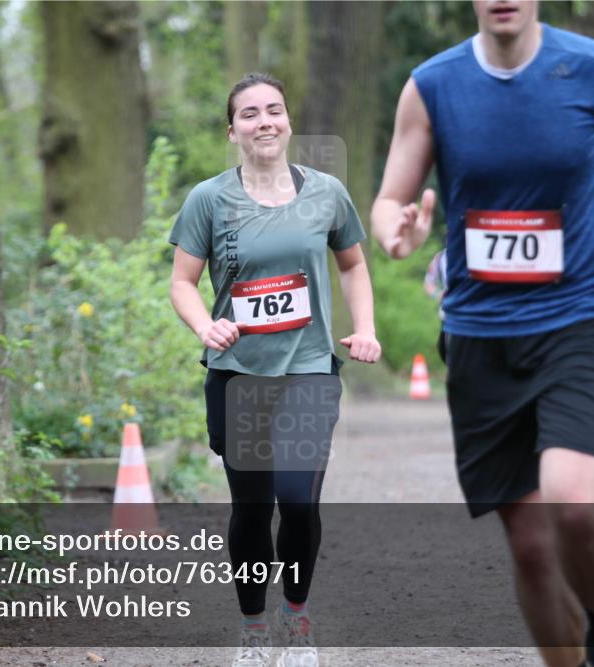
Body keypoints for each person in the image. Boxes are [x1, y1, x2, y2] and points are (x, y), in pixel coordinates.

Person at [371, 2, 594, 666]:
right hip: (480, 332)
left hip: (580, 318)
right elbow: (388, 200)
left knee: (574, 503)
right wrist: (394, 231)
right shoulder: (433, 85)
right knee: (532, 545)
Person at [169, 73, 381, 667]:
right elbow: (183, 283)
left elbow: (354, 266)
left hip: (310, 368)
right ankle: (254, 629)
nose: (265, 122)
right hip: (237, 372)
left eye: (275, 111)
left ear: (288, 121)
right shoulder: (208, 199)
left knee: (301, 501)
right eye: (250, 114)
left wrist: (364, 329)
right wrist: (203, 327)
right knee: (253, 509)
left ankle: (297, 617)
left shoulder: (327, 193)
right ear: (232, 129)